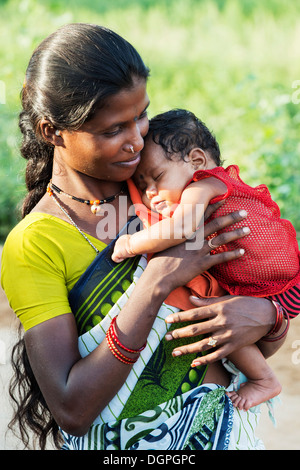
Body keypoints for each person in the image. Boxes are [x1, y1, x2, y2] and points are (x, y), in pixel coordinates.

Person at [0, 24, 290, 451]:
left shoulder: (166, 191)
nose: (137, 140)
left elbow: (233, 340)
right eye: (112, 130)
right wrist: (156, 282)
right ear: (52, 132)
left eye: (141, 115)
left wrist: (267, 316)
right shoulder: (37, 243)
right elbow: (73, 410)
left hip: (224, 435)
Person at [112, 109, 300, 411]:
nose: (150, 191)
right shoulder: (212, 187)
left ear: (197, 161)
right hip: (275, 282)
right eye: (142, 183)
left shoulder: (203, 185)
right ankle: (262, 378)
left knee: (210, 314)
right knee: (218, 314)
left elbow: (181, 228)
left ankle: (264, 380)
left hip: (269, 287)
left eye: (157, 177)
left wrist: (131, 242)